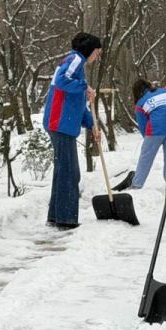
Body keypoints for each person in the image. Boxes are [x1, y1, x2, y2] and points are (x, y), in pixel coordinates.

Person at [43, 32, 102, 229]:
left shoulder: (76, 64)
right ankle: (66, 219)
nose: (97, 57)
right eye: (97, 52)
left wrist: (92, 125)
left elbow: (76, 105)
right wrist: (85, 87)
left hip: (61, 123)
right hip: (60, 123)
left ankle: (56, 216)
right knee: (70, 172)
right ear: (89, 49)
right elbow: (62, 81)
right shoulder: (76, 58)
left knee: (63, 171)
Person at [115, 79, 166, 191]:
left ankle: (137, 184)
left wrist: (148, 141)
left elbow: (143, 126)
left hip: (155, 130)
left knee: (146, 158)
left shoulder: (140, 103)